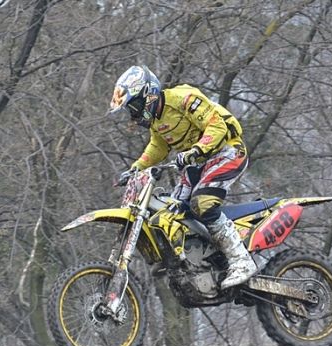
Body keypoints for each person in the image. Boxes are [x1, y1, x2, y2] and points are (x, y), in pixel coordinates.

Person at [110, 65, 257, 289]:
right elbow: (157, 147)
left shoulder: (183, 98)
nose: (134, 114)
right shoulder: (156, 121)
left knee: (202, 204)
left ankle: (241, 260)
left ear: (148, 95)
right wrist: (135, 169)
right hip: (197, 162)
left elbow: (216, 125)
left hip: (227, 151)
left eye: (135, 106)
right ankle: (199, 261)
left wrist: (196, 150)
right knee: (172, 211)